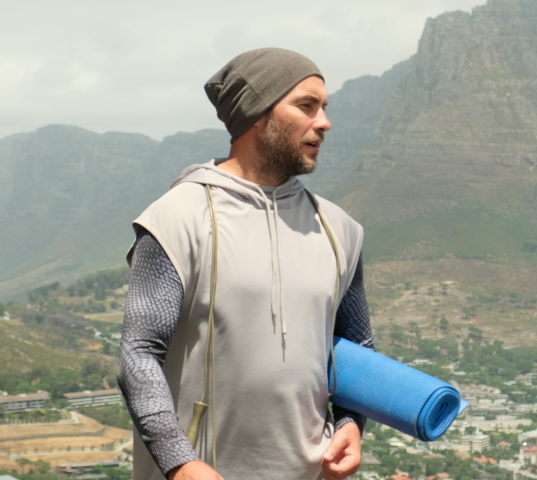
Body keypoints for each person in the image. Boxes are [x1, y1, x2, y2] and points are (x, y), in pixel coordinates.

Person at [117, 48, 374, 480]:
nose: (324, 123)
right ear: (257, 114)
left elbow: (356, 347)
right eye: (306, 106)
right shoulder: (177, 218)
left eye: (324, 108)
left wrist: (350, 421)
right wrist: (181, 463)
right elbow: (139, 355)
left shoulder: (340, 229)